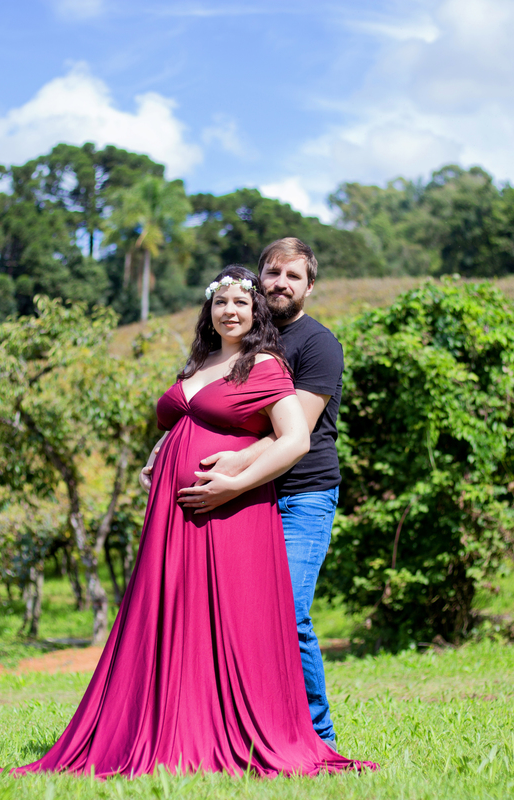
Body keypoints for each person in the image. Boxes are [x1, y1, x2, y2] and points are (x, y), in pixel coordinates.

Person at [0, 265, 374, 779]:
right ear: (209, 310)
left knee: (234, 621)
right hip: (173, 516)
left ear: (256, 312)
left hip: (231, 510)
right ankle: (172, 724)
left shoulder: (264, 364)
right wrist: (163, 449)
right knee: (178, 615)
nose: (230, 311)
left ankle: (254, 731)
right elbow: (192, 417)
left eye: (241, 304)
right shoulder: (200, 361)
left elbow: (294, 439)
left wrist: (233, 483)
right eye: (221, 302)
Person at [145, 237, 344, 747]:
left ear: (309, 286)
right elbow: (205, 409)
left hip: (298, 495)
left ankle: (316, 735)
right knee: (237, 617)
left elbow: (291, 432)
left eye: (293, 276)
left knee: (290, 613)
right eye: (273, 273)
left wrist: (233, 467)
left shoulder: (315, 345)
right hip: (245, 501)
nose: (281, 283)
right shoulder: (231, 343)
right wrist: (165, 450)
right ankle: (240, 722)